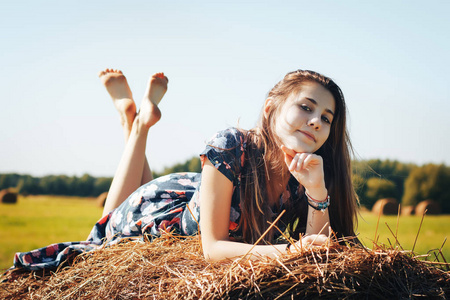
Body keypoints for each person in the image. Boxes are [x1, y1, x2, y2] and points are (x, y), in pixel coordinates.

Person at [13, 68, 358, 270]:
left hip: (194, 198)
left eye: (326, 119)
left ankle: (134, 121)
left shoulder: (307, 173)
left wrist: (317, 193)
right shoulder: (231, 144)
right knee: (105, 229)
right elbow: (213, 249)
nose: (316, 122)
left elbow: (318, 255)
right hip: (164, 217)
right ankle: (136, 125)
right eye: (306, 107)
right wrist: (292, 250)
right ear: (270, 108)